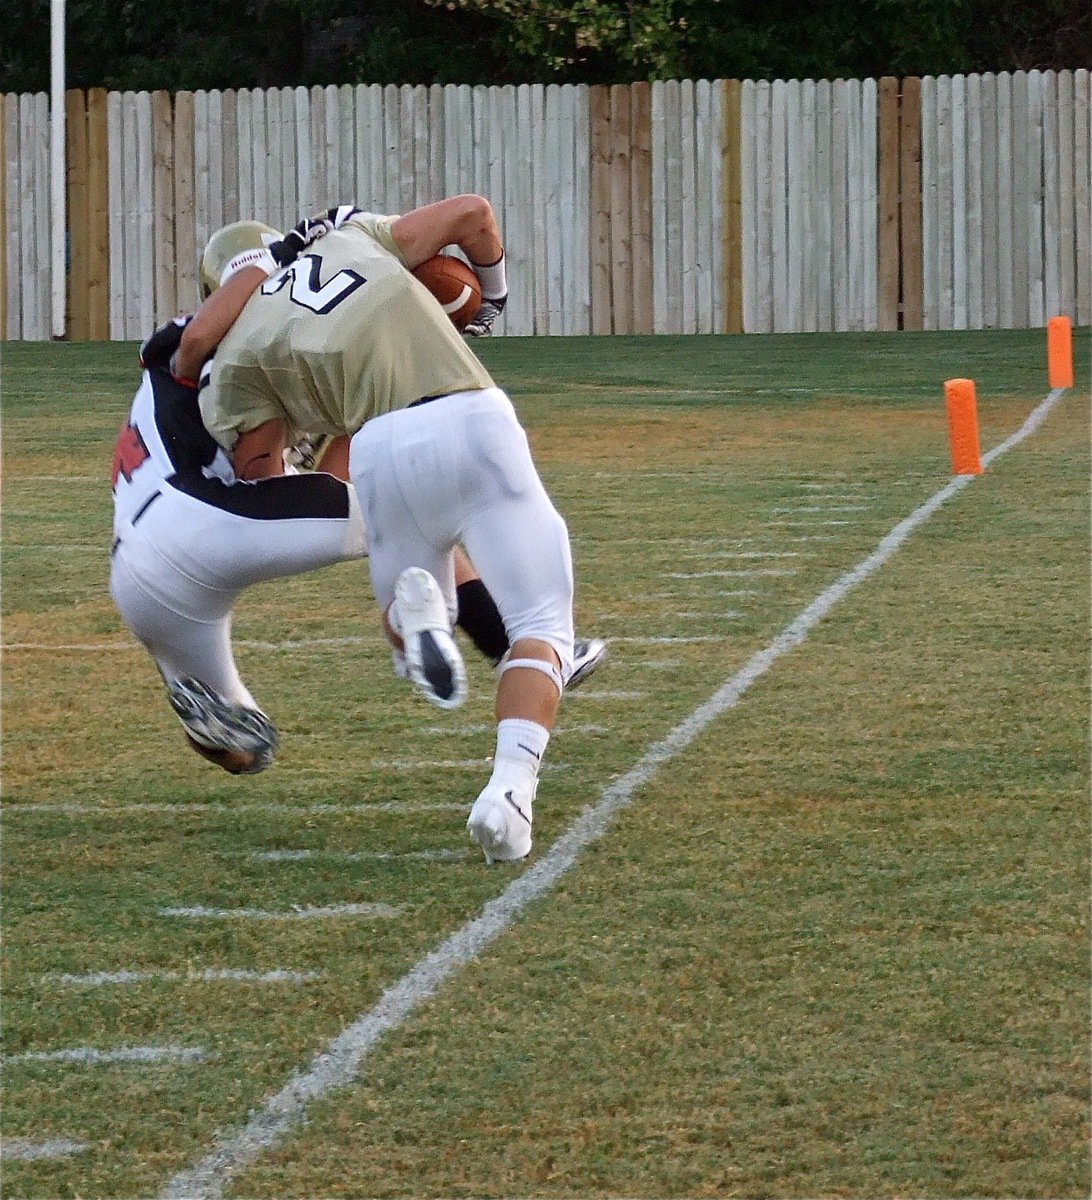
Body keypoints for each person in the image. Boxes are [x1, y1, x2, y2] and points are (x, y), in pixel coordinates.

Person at [190, 195, 581, 863]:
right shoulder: (351, 238)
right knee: (542, 628)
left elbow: (266, 482)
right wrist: (490, 298)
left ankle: (417, 620)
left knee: (409, 595)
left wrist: (304, 449)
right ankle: (510, 793)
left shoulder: (232, 361)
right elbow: (474, 213)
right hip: (471, 416)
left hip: (378, 449)